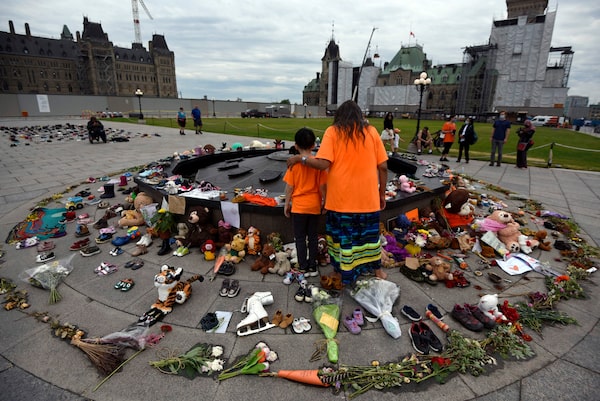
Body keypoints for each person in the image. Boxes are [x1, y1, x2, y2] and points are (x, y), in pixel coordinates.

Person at [287, 100, 388, 285]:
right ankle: (377, 270)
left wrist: (300, 158)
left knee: (342, 238)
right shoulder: (372, 132)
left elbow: (322, 164)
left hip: (340, 200)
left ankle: (342, 271)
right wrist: (382, 193)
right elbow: (383, 166)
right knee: (369, 237)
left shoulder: (332, 132)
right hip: (368, 198)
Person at [283, 128, 327, 277]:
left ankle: (303, 266)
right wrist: (325, 201)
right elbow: (322, 186)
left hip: (299, 207)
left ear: (296, 146)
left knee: (300, 238)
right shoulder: (317, 164)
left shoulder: (294, 165)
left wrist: (286, 204)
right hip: (314, 205)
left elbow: (290, 187)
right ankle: (313, 266)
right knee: (313, 237)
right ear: (313, 145)